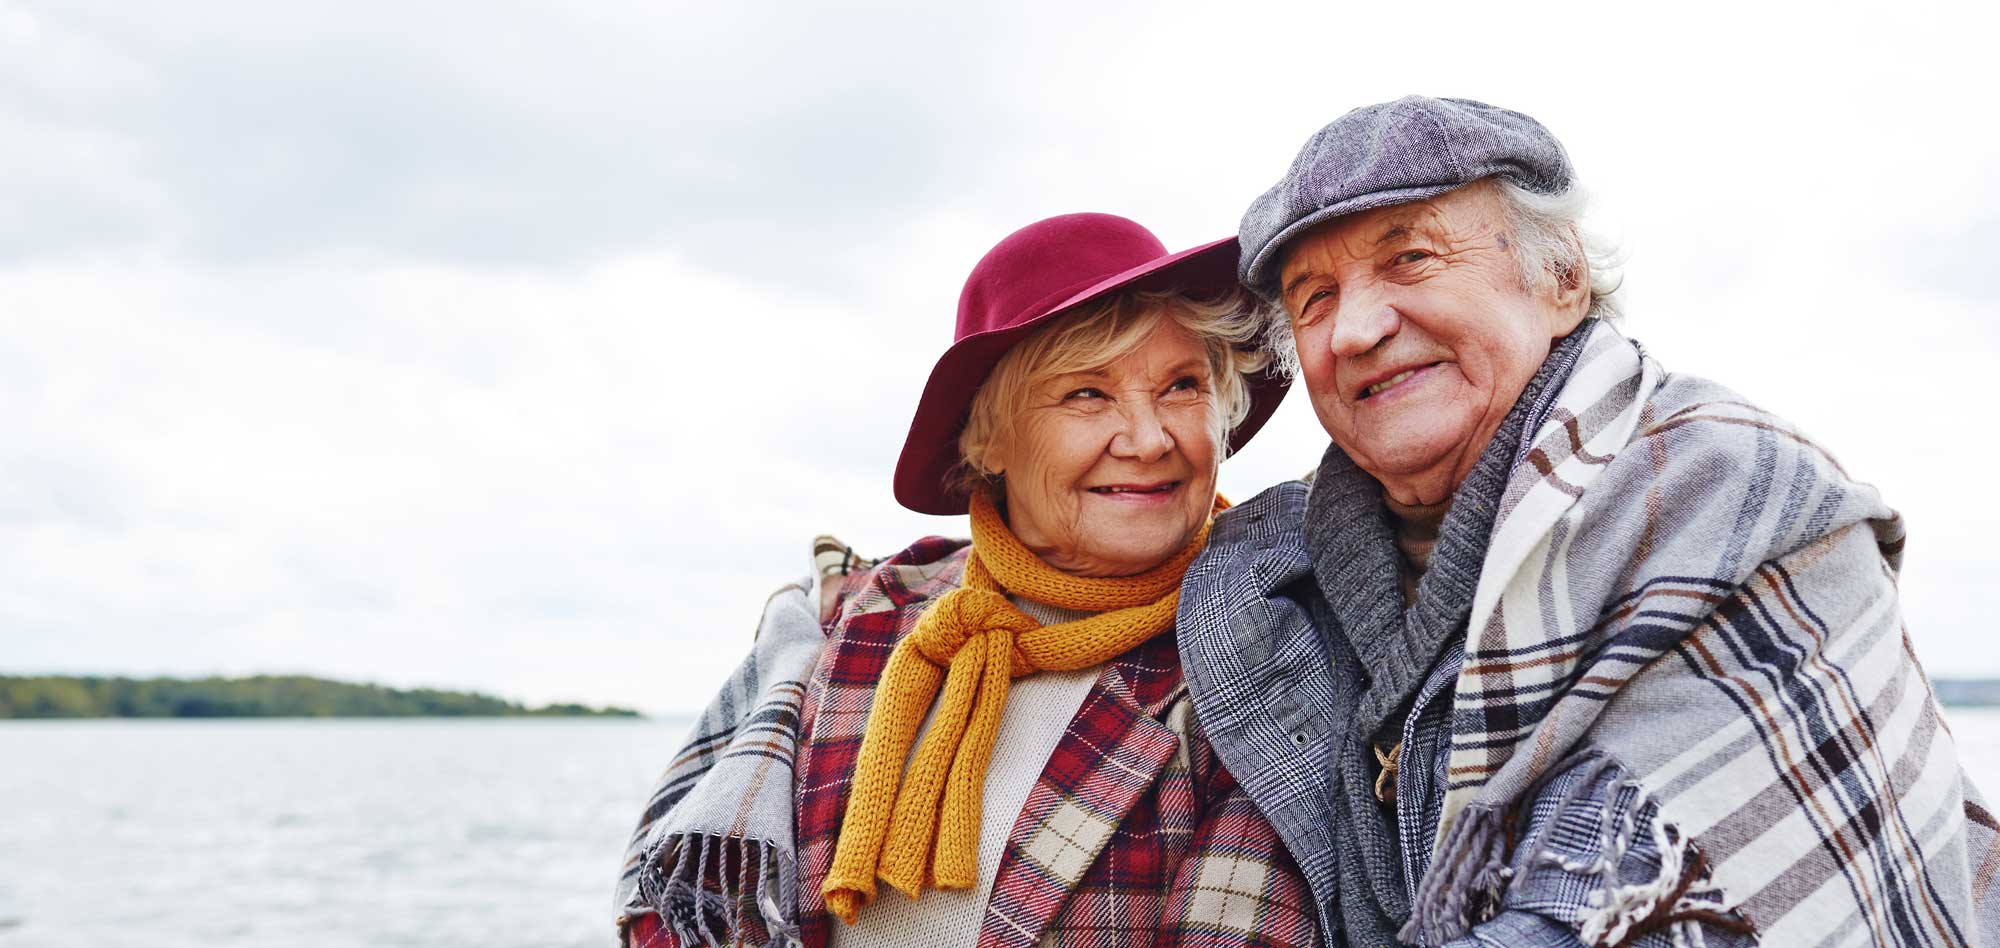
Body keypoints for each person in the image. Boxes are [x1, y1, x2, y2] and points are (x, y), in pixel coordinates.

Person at [1177, 96, 1999, 947]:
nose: (1353, 330)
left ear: (1562, 277)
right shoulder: (1264, 577)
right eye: (1314, 300)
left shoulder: (1725, 495)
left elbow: (1629, 915)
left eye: (1411, 258)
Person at [615, 213, 1321, 948]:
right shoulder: (844, 616)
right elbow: (676, 903)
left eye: (1182, 385)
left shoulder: (1265, 650)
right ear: (988, 438)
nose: (1148, 440)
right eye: (1087, 394)